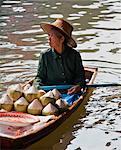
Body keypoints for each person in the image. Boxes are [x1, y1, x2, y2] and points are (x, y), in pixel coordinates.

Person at [34, 18, 86, 94]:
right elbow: (39, 77)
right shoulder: (45, 55)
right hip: (50, 93)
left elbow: (80, 77)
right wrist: (37, 87)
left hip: (70, 92)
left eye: (51, 36)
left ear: (61, 39)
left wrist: (78, 86)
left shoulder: (75, 55)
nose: (48, 39)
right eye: (48, 35)